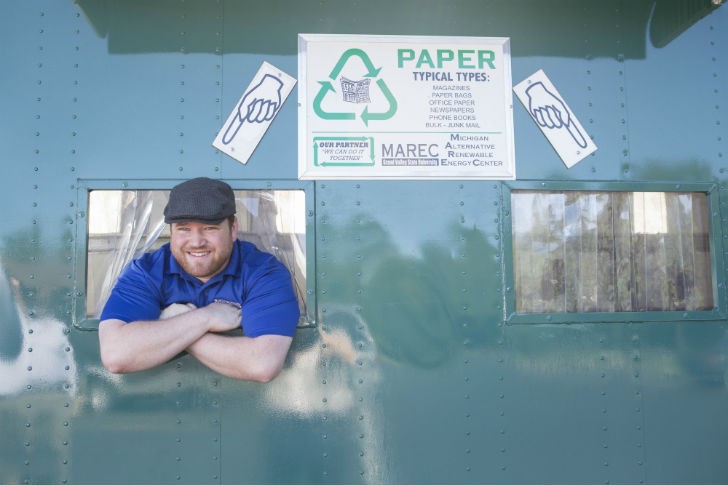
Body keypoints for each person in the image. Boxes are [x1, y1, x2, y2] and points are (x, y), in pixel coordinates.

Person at [98, 177, 299, 382]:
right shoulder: (147, 271)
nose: (196, 242)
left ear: (233, 229)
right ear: (172, 232)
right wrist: (204, 319)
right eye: (184, 229)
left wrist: (174, 325)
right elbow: (116, 355)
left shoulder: (263, 271)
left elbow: (262, 364)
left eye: (210, 228)